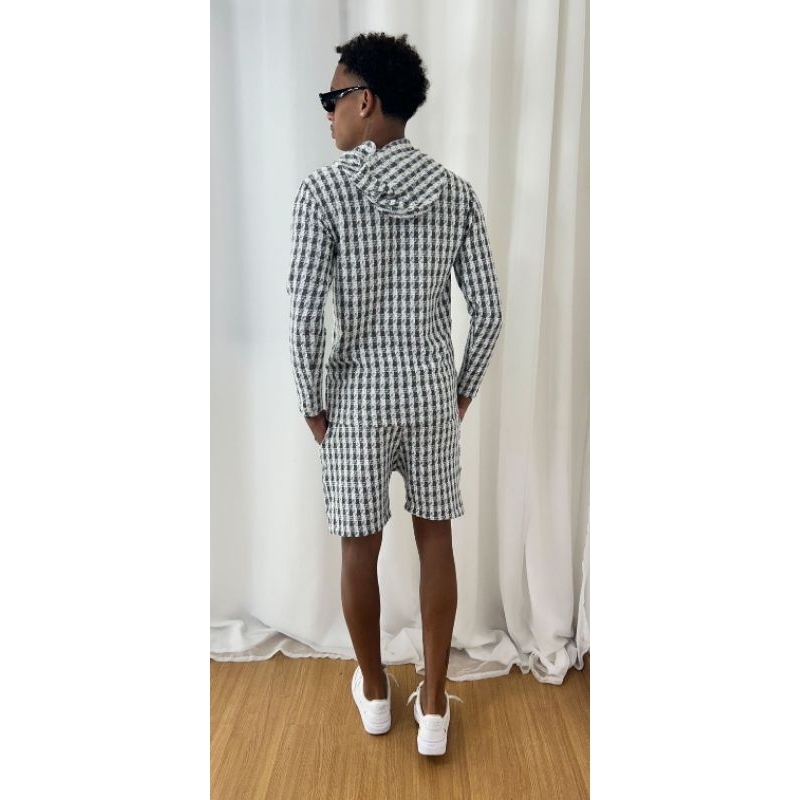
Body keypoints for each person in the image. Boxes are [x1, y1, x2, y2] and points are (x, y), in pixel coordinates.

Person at [286, 32, 503, 756]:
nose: (327, 112)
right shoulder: (455, 193)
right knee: (436, 539)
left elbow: (304, 314)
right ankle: (434, 705)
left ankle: (376, 692)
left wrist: (312, 402)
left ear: (366, 101)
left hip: (357, 398)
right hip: (431, 393)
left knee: (359, 547)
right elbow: (489, 312)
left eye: (333, 97)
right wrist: (459, 392)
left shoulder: (324, 191)